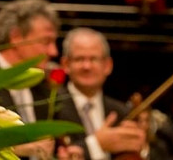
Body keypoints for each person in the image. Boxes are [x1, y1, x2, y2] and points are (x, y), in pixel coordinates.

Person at [0, 0, 61, 159]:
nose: (54, 51)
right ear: (16, 37)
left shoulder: (43, 86)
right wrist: (14, 148)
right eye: (46, 41)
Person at [54, 27, 146, 159]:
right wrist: (97, 145)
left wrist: (140, 145)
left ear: (108, 65)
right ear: (65, 64)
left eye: (94, 59)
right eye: (79, 59)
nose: (87, 66)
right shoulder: (51, 107)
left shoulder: (121, 112)